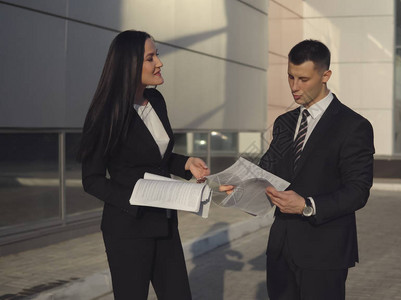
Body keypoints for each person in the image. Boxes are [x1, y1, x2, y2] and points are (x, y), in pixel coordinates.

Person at [223, 39, 374, 299]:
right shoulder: (285, 122)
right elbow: (268, 170)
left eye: (303, 79)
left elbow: (358, 191)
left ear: (325, 75)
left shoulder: (353, 126)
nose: (294, 87)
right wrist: (238, 185)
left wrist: (307, 205)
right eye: (290, 77)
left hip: (325, 252)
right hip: (281, 249)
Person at [77, 30, 209, 300]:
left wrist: (186, 164)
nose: (159, 63)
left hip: (166, 224)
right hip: (128, 229)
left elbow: (157, 157)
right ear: (130, 64)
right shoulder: (105, 113)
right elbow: (92, 179)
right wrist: (138, 199)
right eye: (151, 58)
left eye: (156, 55)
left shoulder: (157, 101)